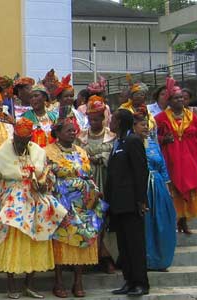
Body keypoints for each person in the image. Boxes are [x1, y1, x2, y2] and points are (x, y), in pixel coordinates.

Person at [0, 118, 67, 299]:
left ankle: (30, 284)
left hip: (35, 200)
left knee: (36, 240)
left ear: (30, 137)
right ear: (14, 135)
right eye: (18, 139)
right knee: (12, 242)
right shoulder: (2, 152)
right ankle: (11, 286)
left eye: (25, 140)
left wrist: (44, 184)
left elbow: (48, 176)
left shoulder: (38, 151)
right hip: (12, 202)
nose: (21, 143)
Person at [45, 116, 106, 298]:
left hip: (83, 201)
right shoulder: (48, 151)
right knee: (61, 240)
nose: (73, 133)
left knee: (82, 237)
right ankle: (59, 282)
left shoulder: (81, 151)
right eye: (68, 130)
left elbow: (88, 174)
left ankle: (78, 281)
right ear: (57, 133)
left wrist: (95, 191)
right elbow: (47, 176)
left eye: (74, 130)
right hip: (61, 201)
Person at [155, 77, 197, 234]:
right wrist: (163, 139)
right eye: (176, 98)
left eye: (182, 98)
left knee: (189, 190)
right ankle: (174, 222)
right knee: (174, 190)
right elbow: (151, 137)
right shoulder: (160, 118)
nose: (180, 100)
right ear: (169, 101)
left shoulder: (192, 117)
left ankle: (184, 222)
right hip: (171, 159)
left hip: (189, 159)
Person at [106, 109, 150, 296]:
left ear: (121, 122)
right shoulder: (117, 142)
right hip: (117, 203)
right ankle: (129, 280)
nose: (110, 122)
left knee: (135, 244)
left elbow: (141, 172)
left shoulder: (133, 141)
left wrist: (141, 200)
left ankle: (141, 282)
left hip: (131, 202)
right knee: (123, 245)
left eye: (113, 119)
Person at [75, 97, 117, 273]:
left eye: (97, 118)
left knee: (105, 217)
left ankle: (106, 255)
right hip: (87, 180)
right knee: (88, 217)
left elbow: (114, 157)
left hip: (106, 178)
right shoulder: (81, 136)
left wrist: (101, 158)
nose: (94, 122)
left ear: (103, 118)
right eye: (91, 119)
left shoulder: (112, 136)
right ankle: (86, 257)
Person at [131, 109, 177, 271]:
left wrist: (167, 185)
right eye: (142, 125)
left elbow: (162, 164)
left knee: (162, 221)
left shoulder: (152, 143)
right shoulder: (131, 143)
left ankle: (161, 259)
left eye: (147, 125)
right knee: (146, 224)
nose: (146, 128)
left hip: (157, 186)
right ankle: (145, 259)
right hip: (142, 186)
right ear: (134, 126)